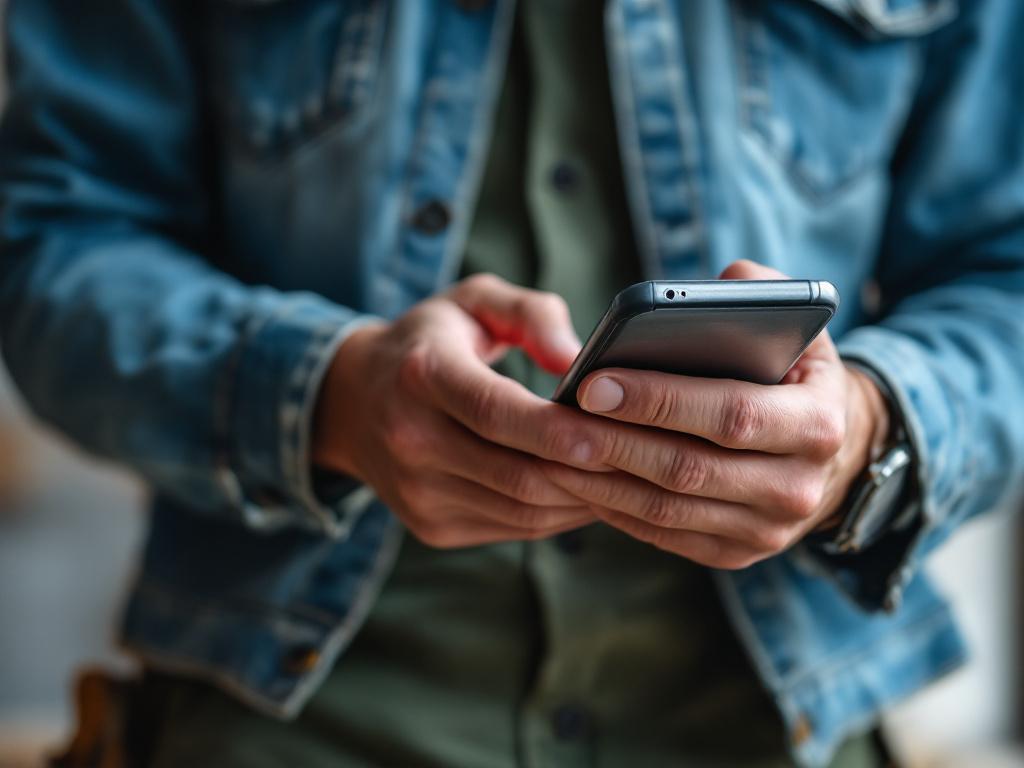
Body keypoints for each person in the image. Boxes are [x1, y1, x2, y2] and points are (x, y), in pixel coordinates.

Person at [1, 0, 1022, 766]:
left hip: (768, 725)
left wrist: (866, 430)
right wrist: (328, 395)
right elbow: (55, 242)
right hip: (298, 725)